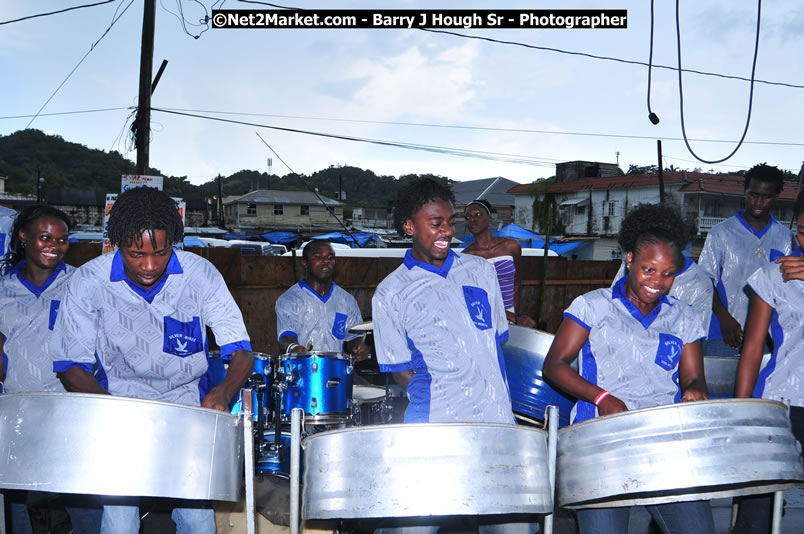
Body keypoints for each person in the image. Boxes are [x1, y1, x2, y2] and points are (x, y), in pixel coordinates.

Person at [50, 187, 254, 534]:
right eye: (135, 254)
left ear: (173, 242)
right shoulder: (88, 282)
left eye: (160, 253)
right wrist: (111, 410)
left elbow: (242, 352)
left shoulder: (200, 275)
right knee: (119, 520)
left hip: (187, 409)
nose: (149, 265)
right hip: (119, 408)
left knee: (197, 518)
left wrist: (223, 391)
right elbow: (70, 365)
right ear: (116, 243)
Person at [372, 178, 535, 533]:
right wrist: (446, 396)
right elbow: (400, 370)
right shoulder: (390, 293)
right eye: (435, 223)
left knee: (514, 529)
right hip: (434, 432)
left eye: (450, 221)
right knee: (411, 528)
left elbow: (495, 342)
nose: (446, 230)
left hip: (495, 426)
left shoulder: (480, 271)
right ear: (409, 226)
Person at [543, 203, 715, 534]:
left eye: (668, 274)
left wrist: (695, 390)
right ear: (630, 260)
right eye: (649, 270)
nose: (658, 282)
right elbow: (554, 365)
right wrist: (602, 397)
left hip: (663, 439)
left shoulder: (684, 316)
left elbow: (693, 375)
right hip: (600, 442)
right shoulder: (593, 306)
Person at [0, 205, 102, 534]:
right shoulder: (3, 289)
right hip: (18, 415)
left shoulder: (81, 284)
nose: (54, 246)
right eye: (45, 237)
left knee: (84, 507)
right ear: (23, 236)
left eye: (62, 240)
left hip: (71, 415)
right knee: (17, 511)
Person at [732, 190, 804, 534]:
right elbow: (753, 347)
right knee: (758, 508)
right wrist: (742, 409)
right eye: (803, 231)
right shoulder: (774, 276)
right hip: (782, 399)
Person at [698, 163, 793, 356]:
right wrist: (724, 318)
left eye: (766, 197)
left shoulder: (786, 237)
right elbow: (705, 281)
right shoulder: (721, 233)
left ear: (776, 196)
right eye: (753, 194)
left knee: (759, 385)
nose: (758, 202)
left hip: (768, 336)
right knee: (721, 384)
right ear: (745, 191)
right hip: (724, 332)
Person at [611, 204, 713, 333]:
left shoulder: (700, 284)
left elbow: (696, 335)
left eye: (667, 273)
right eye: (648, 269)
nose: (656, 280)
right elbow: (613, 309)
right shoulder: (632, 265)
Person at [275, 239, 369, 360]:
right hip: (304, 369)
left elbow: (353, 336)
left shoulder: (346, 300)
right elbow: (285, 337)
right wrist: (294, 348)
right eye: (318, 257)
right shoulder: (290, 299)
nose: (326, 261)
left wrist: (358, 347)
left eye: (330, 257)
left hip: (337, 369)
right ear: (305, 263)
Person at [462, 199, 536, 328]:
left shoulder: (511, 246)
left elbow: (516, 284)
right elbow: (472, 298)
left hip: (510, 319)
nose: (472, 220)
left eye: (478, 215)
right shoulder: (466, 257)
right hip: (483, 319)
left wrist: (513, 315)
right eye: (468, 217)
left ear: (489, 219)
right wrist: (511, 316)